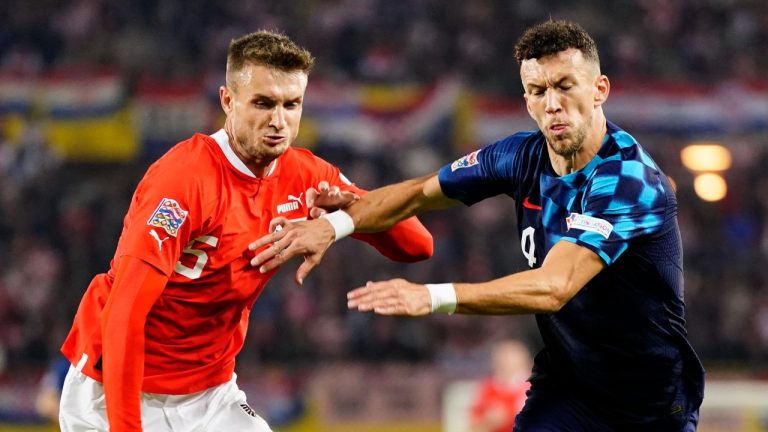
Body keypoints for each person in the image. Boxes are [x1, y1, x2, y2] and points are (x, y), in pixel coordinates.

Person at [250, 20, 705, 431]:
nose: (553, 104)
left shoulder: (627, 179)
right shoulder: (519, 156)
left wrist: (431, 296)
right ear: (525, 98)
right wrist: (337, 225)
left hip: (649, 402)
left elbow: (555, 285)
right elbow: (420, 192)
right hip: (569, 389)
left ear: (600, 89)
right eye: (538, 90)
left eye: (565, 86)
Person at [58, 30, 433, 432]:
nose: (278, 121)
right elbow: (124, 311)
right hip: (114, 389)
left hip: (211, 393)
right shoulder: (184, 180)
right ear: (227, 101)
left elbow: (417, 245)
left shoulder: (306, 176)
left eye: (292, 105)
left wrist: (345, 214)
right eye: (263, 103)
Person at [469, 339, 532, 432]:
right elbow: (474, 427)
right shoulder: (487, 388)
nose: (507, 362)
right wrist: (489, 422)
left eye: (511, 357)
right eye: (503, 357)